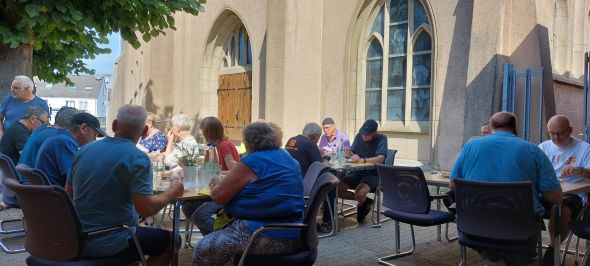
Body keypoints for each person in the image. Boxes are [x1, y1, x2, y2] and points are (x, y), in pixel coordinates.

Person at [66, 104, 184, 265]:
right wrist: (172, 192)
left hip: (75, 236)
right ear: (144, 132)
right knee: (173, 240)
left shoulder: (83, 151)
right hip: (112, 239)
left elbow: (68, 194)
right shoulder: (138, 158)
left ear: (114, 125)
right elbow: (146, 209)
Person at [450, 112, 562, 266]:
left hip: (475, 225)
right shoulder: (533, 150)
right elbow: (555, 197)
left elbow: (453, 185)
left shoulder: (470, 146)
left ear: (491, 127)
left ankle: (496, 259)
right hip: (520, 228)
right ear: (515, 128)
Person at [193, 122, 304, 265]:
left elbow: (218, 197)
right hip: (293, 231)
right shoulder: (286, 157)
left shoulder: (254, 160)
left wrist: (216, 184)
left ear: (248, 143)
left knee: (203, 248)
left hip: (266, 233)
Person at [538, 115, 589, 255]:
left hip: (573, 195)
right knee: (521, 201)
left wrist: (579, 170)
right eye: (552, 133)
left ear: (570, 130)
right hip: (546, 191)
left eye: (560, 133)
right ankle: (524, 247)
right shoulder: (543, 147)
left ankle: (552, 252)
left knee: (561, 209)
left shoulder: (585, 149)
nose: (556, 137)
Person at [182, 116, 240, 236]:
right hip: (213, 189)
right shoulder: (213, 146)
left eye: (203, 131)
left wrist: (217, 173)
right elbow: (208, 167)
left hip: (226, 192)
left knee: (200, 215)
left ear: (208, 131)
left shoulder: (224, 146)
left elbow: (234, 170)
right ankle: (208, 238)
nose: (202, 134)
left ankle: (222, 236)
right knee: (187, 207)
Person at [35, 112, 105, 187]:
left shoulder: (60, 138)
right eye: (95, 134)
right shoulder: (65, 142)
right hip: (57, 196)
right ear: (83, 128)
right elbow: (75, 178)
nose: (94, 139)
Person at [339, 119, 387, 223]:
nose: (364, 136)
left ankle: (362, 200)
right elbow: (352, 152)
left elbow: (381, 158)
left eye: (367, 135)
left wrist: (362, 160)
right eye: (363, 134)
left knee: (360, 192)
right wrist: (349, 153)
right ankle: (365, 202)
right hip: (356, 172)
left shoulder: (382, 139)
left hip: (373, 174)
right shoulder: (359, 137)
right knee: (335, 189)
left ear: (375, 133)